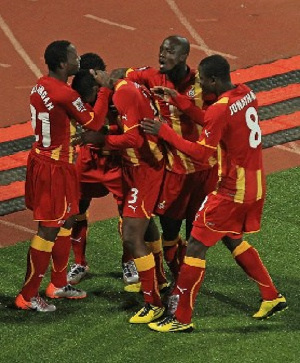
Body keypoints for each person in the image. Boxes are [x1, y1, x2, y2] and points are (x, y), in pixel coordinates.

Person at [141, 54, 287, 332]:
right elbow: (211, 120)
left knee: (195, 244)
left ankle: (181, 318)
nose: (198, 86)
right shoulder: (245, 92)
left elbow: (200, 151)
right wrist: (178, 99)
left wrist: (164, 132)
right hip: (255, 183)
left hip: (232, 190)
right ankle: (271, 295)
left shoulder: (220, 109)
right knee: (231, 237)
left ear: (213, 80)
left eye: (201, 81)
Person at [14, 40, 110, 312]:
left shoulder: (41, 85)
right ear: (61, 64)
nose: (78, 59)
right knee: (48, 228)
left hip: (49, 162)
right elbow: (94, 122)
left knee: (67, 218)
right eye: (73, 56)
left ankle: (57, 284)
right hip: (54, 169)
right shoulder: (65, 94)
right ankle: (28, 295)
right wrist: (103, 91)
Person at [123, 35, 219, 284]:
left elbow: (213, 119)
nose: (162, 55)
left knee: (199, 236)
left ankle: (185, 287)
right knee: (170, 232)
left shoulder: (203, 82)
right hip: (175, 171)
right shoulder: (151, 77)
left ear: (184, 56)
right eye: (161, 49)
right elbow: (122, 76)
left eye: (169, 51)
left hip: (204, 171)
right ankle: (175, 274)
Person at [81, 71, 167, 324]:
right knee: (145, 225)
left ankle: (154, 304)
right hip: (138, 167)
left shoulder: (123, 92)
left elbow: (134, 138)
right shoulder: (129, 87)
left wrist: (103, 140)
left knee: (131, 234)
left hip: (143, 170)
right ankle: (159, 280)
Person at [67, 53, 139, 287]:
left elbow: (128, 128)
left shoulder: (118, 93)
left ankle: (128, 262)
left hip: (116, 162)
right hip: (88, 161)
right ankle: (79, 262)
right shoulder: (79, 92)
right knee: (77, 209)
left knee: (127, 215)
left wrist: (105, 133)